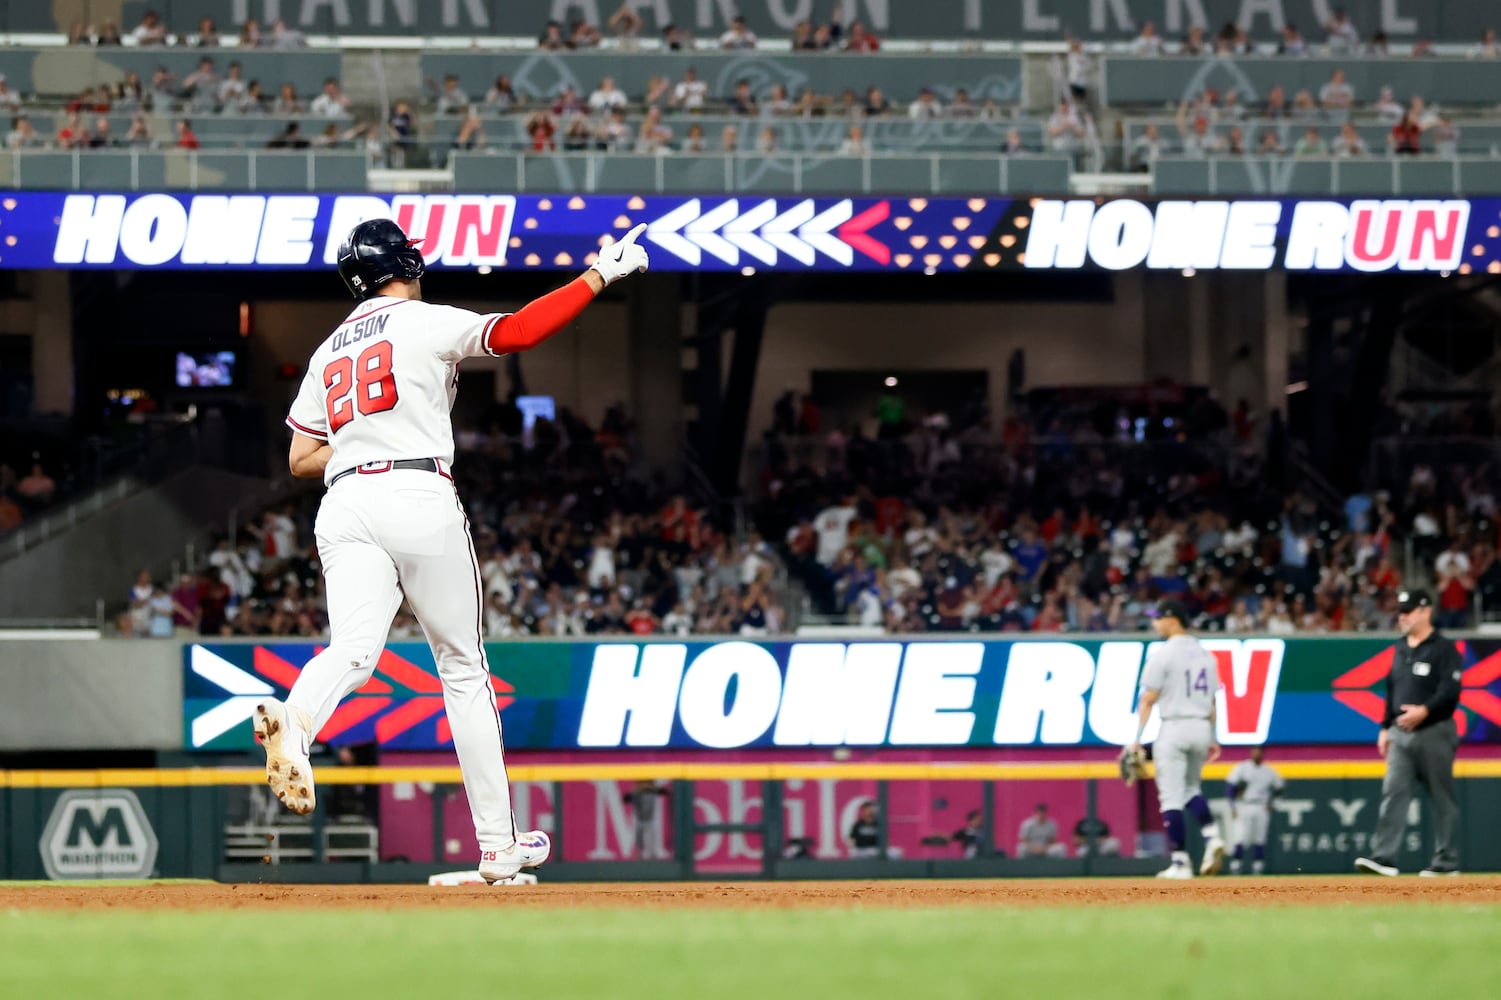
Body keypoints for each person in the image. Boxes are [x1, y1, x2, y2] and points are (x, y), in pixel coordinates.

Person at [256, 217, 650, 886]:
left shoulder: (326, 350)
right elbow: (519, 332)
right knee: (464, 671)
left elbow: (299, 456)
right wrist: (599, 274)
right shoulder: (421, 320)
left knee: (353, 649)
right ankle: (497, 846)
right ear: (405, 262)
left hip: (344, 501)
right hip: (415, 489)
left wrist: (358, 453)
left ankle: (296, 721)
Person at [1355, 590, 1463, 877]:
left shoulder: (1443, 648)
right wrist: (1384, 727)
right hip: (1400, 732)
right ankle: (1384, 857)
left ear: (1425, 611)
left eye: (1408, 610)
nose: (1402, 616)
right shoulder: (1400, 647)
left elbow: (1451, 690)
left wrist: (1424, 711)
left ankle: (1446, 861)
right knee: (1393, 792)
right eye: (1401, 611)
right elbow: (1391, 690)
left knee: (1441, 797)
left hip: (1435, 729)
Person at [1128, 598, 1226, 879]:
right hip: (1200, 727)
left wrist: (1136, 738)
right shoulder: (1207, 655)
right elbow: (1211, 700)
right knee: (1191, 789)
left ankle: (1181, 862)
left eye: (1158, 618)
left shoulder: (1163, 654)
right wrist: (1213, 736)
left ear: (1172, 619)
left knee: (1171, 798)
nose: (1155, 623)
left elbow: (1148, 699)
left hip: (1173, 727)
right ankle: (1213, 837)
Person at [1226, 746, 1283, 875]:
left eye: (1259, 751)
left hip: (1261, 806)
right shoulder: (1242, 768)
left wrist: (1275, 804)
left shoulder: (1269, 771)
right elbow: (1230, 787)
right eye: (1254, 751)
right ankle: (1236, 865)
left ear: (1262, 754)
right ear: (1251, 753)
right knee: (1240, 836)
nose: (1256, 753)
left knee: (1260, 837)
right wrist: (1233, 806)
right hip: (1244, 805)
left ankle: (1258, 866)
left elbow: (1280, 788)